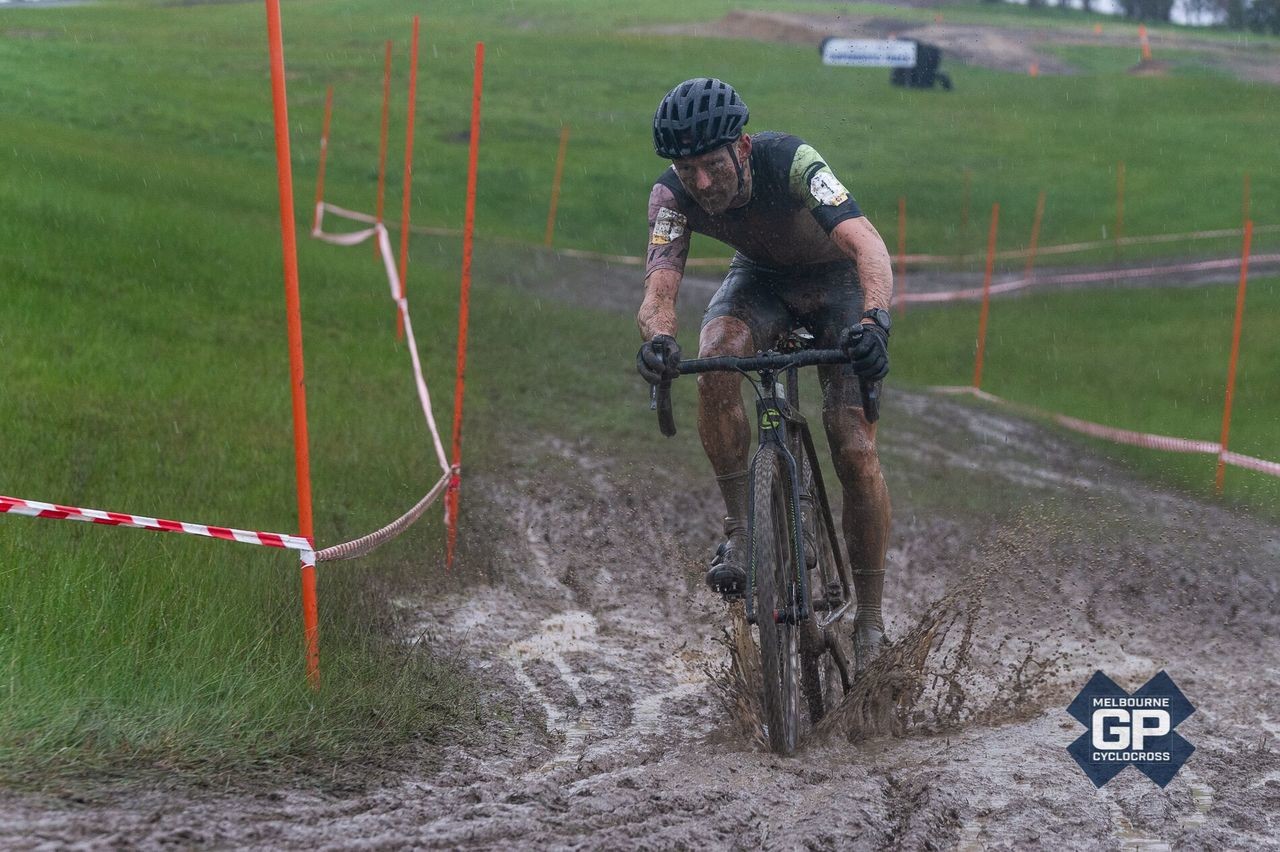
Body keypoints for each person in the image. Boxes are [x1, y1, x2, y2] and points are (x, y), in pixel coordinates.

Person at [634, 77, 894, 671]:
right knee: (715, 354)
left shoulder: (794, 161)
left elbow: (868, 245)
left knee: (853, 446)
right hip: (761, 280)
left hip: (839, 283)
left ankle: (871, 618)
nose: (701, 183)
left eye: (711, 165)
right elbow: (658, 292)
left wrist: (875, 322)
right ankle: (741, 529)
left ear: (742, 148)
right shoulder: (671, 197)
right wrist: (658, 342)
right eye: (687, 168)